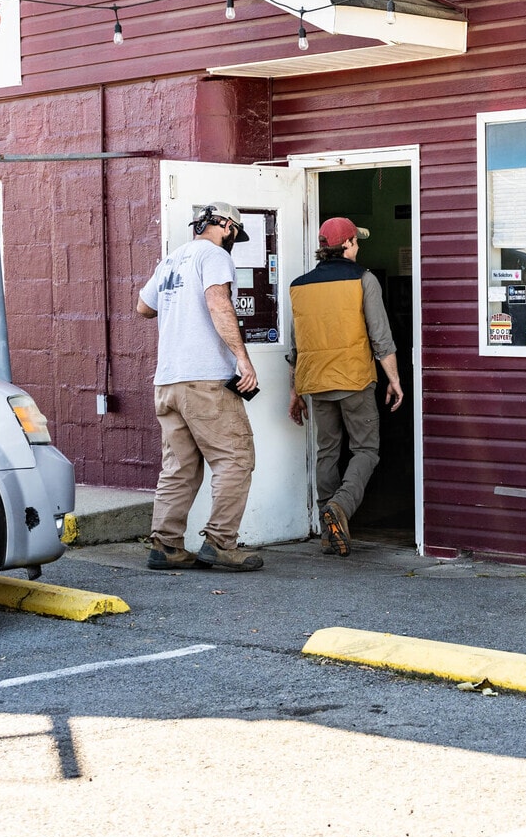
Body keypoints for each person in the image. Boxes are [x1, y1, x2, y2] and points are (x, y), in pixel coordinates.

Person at [135, 202, 264, 571]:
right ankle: (221, 543)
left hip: (168, 383)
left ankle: (166, 546)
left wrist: (178, 307)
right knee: (236, 459)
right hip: (204, 380)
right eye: (235, 232)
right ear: (225, 225)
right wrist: (242, 358)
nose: (235, 239)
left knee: (179, 468)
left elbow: (143, 308)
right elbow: (218, 302)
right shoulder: (214, 255)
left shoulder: (172, 259)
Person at [285, 216, 402, 557]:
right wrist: (394, 379)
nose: (359, 246)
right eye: (356, 241)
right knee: (366, 450)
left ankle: (327, 532)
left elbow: (297, 344)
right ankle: (340, 507)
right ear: (347, 244)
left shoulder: (299, 286)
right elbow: (381, 337)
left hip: (316, 382)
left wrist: (295, 391)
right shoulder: (364, 280)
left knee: (327, 453)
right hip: (354, 380)